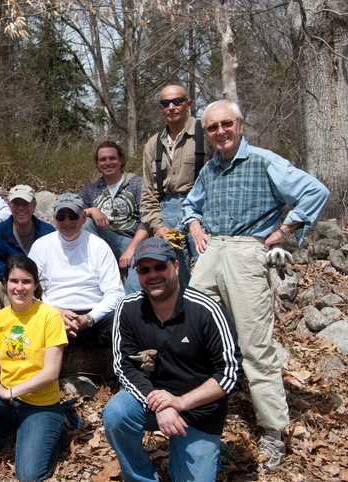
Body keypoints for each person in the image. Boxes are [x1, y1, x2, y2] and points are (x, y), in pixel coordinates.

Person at [183, 99, 329, 470]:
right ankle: (201, 410)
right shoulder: (210, 169)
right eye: (212, 128)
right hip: (211, 250)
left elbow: (315, 192)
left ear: (240, 125)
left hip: (248, 252)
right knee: (192, 331)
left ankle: (272, 431)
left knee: (254, 344)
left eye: (226, 125)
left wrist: (282, 231)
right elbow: (190, 205)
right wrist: (195, 225)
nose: (220, 132)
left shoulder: (264, 161)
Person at [103, 237, 242, 481]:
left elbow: (229, 373)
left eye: (159, 267)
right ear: (137, 274)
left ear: (175, 266)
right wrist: (162, 404)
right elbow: (122, 365)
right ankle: (140, 477)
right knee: (116, 412)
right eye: (144, 270)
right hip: (152, 399)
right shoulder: (128, 308)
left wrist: (180, 403)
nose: (152, 275)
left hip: (199, 410)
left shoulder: (206, 310)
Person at [0, 256, 68, 482]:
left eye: (26, 282)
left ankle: (54, 432)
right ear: (5, 283)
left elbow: (51, 372)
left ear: (36, 285)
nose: (20, 288)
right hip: (7, 402)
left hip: (41, 405)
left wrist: (11, 391)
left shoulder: (50, 316)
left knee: (29, 476)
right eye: (14, 281)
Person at [28, 193, 124, 362]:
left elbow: (115, 293)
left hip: (93, 315)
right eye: (61, 217)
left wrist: (89, 318)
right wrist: (55, 313)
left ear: (83, 218)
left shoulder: (99, 246)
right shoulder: (40, 246)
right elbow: (29, 290)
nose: (67, 222)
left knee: (123, 318)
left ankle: (121, 377)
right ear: (54, 219)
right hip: (52, 313)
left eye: (73, 216)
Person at [140, 82, 205, 286]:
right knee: (174, 276)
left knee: (207, 271)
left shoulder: (205, 134)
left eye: (177, 101)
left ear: (189, 104)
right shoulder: (153, 144)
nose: (172, 107)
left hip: (202, 213)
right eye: (165, 103)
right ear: (161, 108)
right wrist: (159, 228)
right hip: (167, 215)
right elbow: (148, 193)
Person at [0, 184, 54, 334]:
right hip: (8, 283)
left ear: (33, 206)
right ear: (9, 206)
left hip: (39, 285)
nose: (20, 208)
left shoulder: (47, 232)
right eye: (16, 204)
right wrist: (12, 275)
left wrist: (33, 279)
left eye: (25, 204)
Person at [81, 141, 148, 293]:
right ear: (97, 164)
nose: (108, 162)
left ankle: (131, 309)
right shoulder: (91, 189)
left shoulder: (137, 184)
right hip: (103, 241)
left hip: (133, 241)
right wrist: (91, 210)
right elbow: (73, 213)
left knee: (135, 285)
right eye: (103, 159)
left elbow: (148, 220)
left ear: (121, 160)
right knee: (85, 223)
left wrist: (131, 249)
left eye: (112, 158)